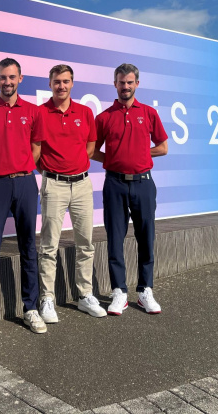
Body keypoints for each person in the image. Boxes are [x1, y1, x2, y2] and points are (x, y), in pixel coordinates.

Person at [0, 57, 47, 337]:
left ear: (20, 79)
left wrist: (22, 167)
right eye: (3, 77)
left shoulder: (33, 111)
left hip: (25, 183)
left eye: (12, 77)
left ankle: (31, 308)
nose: (7, 82)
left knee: (28, 247)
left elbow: (36, 148)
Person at [92, 63, 168, 316]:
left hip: (144, 183)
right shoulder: (103, 117)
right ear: (115, 84)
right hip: (114, 183)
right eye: (121, 82)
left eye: (130, 82)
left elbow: (163, 147)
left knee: (146, 237)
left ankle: (145, 290)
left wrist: (138, 153)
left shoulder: (148, 113)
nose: (125, 86)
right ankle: (119, 292)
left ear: (137, 84)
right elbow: (92, 151)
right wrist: (114, 159)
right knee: (115, 238)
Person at [37, 64, 107, 322]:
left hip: (81, 185)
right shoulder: (40, 113)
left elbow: (90, 148)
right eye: (57, 81)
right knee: (48, 245)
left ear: (72, 83)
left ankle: (85, 295)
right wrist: (51, 170)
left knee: (85, 243)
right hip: (53, 184)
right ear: (50, 83)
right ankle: (47, 298)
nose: (61, 86)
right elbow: (36, 152)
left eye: (66, 81)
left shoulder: (85, 112)